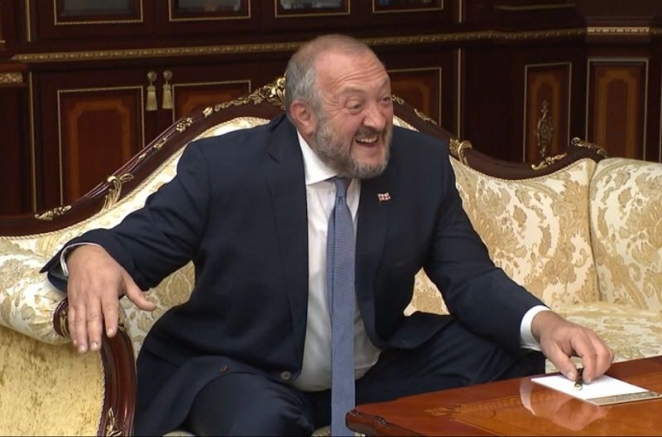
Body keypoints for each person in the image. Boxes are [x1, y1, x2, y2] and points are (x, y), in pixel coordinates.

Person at [42, 34, 614, 436]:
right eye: (355, 106)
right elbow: (135, 244)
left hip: (373, 368)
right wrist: (90, 253)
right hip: (245, 368)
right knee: (261, 421)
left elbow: (469, 277)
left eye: (384, 99)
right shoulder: (226, 169)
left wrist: (548, 325)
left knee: (513, 359)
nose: (379, 120)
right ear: (304, 116)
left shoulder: (420, 166)